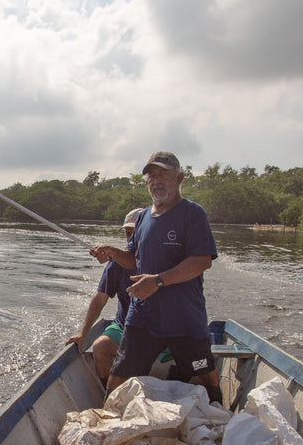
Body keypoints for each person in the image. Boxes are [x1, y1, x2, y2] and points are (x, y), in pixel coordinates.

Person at [91, 151, 222, 403]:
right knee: (118, 376)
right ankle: (108, 418)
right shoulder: (142, 217)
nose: (157, 181)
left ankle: (219, 408)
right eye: (151, 176)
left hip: (184, 317)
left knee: (206, 374)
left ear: (179, 178)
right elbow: (133, 258)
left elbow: (202, 261)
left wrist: (158, 281)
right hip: (143, 317)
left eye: (164, 174)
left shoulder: (192, 213)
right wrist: (111, 252)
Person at [66, 208, 143, 383]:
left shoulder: (163, 259)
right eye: (128, 233)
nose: (131, 239)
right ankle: (109, 392)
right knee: (99, 346)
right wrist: (83, 333)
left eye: (136, 233)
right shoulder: (116, 263)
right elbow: (100, 298)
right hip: (125, 326)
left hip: (159, 329)